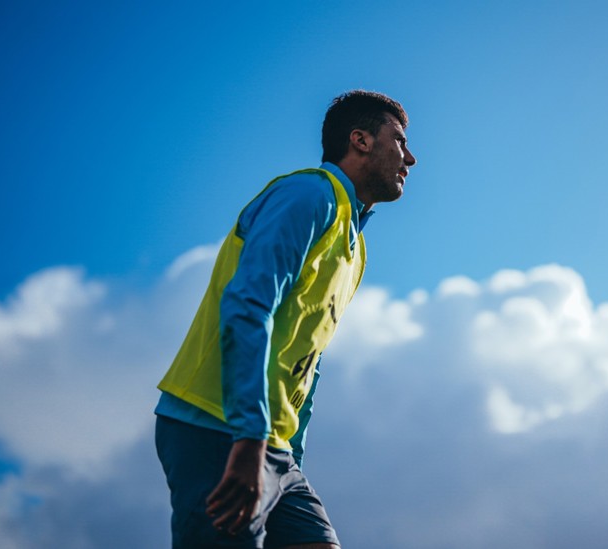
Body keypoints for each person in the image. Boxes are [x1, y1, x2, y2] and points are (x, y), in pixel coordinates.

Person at [154, 90, 416, 548]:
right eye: (399, 140)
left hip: (272, 446)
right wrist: (249, 438)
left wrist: (289, 455)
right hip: (216, 426)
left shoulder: (355, 247)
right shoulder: (307, 194)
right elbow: (248, 306)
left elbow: (308, 360)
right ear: (360, 141)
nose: (410, 158)